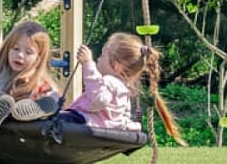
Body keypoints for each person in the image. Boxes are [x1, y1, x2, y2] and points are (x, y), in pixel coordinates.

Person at [54, 32, 187, 147]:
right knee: (56, 117)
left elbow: (98, 99)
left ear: (115, 66)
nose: (98, 59)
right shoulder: (123, 89)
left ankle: (42, 113)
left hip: (84, 123)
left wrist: (88, 65)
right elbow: (121, 118)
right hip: (97, 127)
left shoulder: (111, 82)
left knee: (52, 121)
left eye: (102, 55)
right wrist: (134, 127)